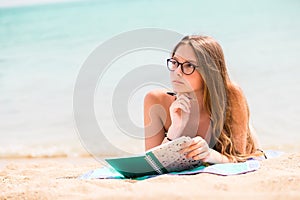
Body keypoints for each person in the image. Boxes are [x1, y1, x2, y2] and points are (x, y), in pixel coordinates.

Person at [144, 35, 261, 164]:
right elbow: (151, 165)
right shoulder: (156, 101)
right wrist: (175, 129)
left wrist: (210, 155)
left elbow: (240, 158)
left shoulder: (231, 94)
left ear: (209, 71)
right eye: (175, 62)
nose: (177, 71)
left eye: (188, 65)